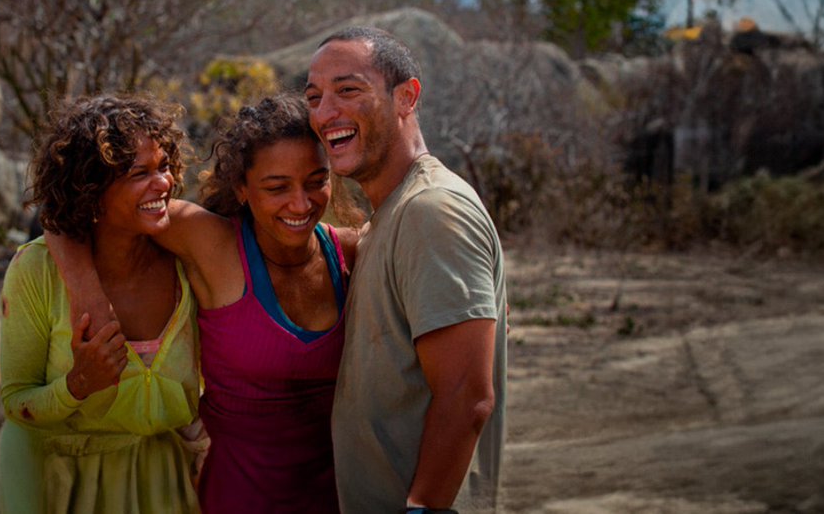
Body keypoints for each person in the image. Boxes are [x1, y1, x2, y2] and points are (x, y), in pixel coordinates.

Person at [46, 93, 361, 513]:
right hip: (238, 496)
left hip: (342, 497)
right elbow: (71, 210)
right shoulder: (210, 242)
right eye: (277, 187)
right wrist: (90, 296)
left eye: (316, 181)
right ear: (242, 189)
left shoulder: (350, 252)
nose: (301, 204)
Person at [304, 26, 507, 513]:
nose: (325, 112)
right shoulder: (390, 216)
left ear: (406, 97)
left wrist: (421, 508)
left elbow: (466, 396)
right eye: (314, 97)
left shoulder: (431, 209)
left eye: (348, 90)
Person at [0, 94, 204, 514]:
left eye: (164, 166)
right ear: (91, 189)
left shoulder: (188, 262)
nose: (163, 183)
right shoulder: (36, 272)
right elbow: (15, 399)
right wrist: (77, 386)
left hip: (163, 485)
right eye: (138, 173)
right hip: (61, 485)